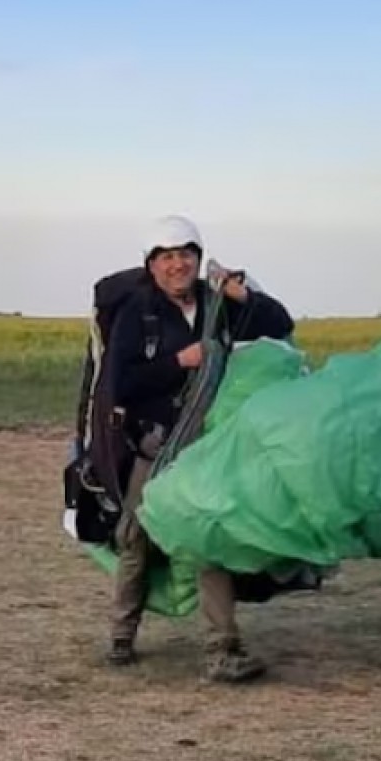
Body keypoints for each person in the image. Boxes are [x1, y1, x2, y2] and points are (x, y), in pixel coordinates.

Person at [105, 214, 296, 682]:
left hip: (206, 452)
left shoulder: (219, 305)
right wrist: (178, 362)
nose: (178, 265)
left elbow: (280, 324)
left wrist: (241, 295)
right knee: (138, 542)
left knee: (207, 542)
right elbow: (120, 384)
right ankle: (120, 638)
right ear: (152, 265)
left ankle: (222, 651)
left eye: (185, 255)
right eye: (167, 257)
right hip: (155, 447)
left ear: (197, 258)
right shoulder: (138, 314)